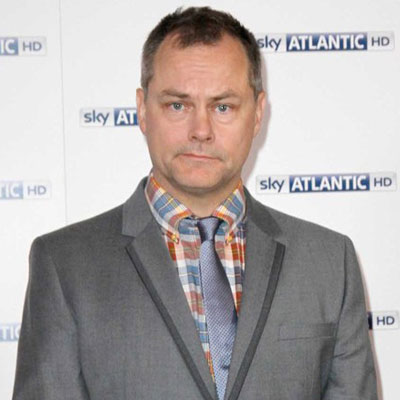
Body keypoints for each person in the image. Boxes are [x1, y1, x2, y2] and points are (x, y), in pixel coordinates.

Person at [13, 7, 377, 400]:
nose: (201, 130)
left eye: (223, 107)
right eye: (178, 105)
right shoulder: (65, 266)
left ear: (257, 114)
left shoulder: (329, 263)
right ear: (142, 110)